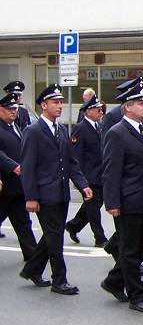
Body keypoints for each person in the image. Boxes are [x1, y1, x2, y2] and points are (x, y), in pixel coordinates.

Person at [20, 84, 91, 294]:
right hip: (44, 194)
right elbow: (28, 167)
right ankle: (59, 279)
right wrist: (31, 197)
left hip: (61, 193)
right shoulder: (33, 131)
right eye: (55, 102)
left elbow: (71, 162)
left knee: (54, 233)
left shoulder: (60, 129)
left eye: (61, 102)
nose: (60, 106)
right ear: (44, 105)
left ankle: (32, 269)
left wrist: (83, 185)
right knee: (55, 236)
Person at [100, 83, 143, 312]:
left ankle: (114, 280)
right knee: (129, 249)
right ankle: (137, 295)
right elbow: (111, 171)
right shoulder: (117, 133)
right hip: (128, 201)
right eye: (140, 103)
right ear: (127, 107)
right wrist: (113, 202)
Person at [65, 95, 108, 247]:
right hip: (88, 176)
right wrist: (80, 180)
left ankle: (73, 225)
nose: (101, 113)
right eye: (98, 110)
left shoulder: (99, 127)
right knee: (93, 206)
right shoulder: (80, 128)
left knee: (95, 204)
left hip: (100, 174)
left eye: (101, 110)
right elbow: (75, 156)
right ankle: (100, 237)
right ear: (88, 111)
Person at [0, 92, 37, 260]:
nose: (13, 111)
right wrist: (12, 166)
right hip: (4, 185)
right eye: (9, 109)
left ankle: (33, 260)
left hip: (18, 186)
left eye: (15, 108)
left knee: (23, 223)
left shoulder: (16, 127)